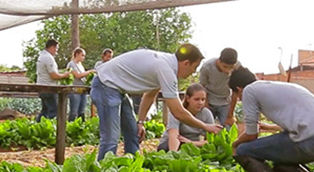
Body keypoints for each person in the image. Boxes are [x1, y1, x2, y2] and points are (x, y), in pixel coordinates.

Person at [91, 43, 222, 161]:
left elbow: (150, 94)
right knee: (111, 137)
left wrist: (141, 122)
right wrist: (205, 127)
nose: (193, 72)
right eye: (194, 67)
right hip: (105, 85)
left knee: (133, 132)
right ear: (186, 63)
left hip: (117, 89)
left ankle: (132, 168)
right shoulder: (166, 70)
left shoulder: (166, 64)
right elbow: (178, 112)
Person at [228, 67, 314, 172]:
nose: (240, 99)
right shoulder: (277, 87)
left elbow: (252, 134)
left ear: (239, 88)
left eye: (237, 95)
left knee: (243, 150)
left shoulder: (249, 90)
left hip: (311, 140)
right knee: (280, 160)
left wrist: (234, 144)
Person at [157, 84, 214, 151]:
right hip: (174, 142)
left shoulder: (206, 113)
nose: (200, 103)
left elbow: (211, 140)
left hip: (193, 144)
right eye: (196, 99)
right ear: (188, 98)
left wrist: (191, 143)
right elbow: (173, 135)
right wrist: (173, 155)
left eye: (203, 99)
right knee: (164, 149)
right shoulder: (177, 111)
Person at [199, 48, 239, 126]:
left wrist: (230, 115)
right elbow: (202, 87)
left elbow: (235, 91)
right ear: (219, 61)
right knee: (209, 130)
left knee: (229, 129)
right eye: (225, 67)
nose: (228, 71)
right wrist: (206, 105)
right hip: (210, 101)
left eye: (231, 68)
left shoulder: (237, 67)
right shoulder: (207, 67)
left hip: (225, 101)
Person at [36, 39, 71, 122]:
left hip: (41, 87)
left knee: (45, 110)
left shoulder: (42, 56)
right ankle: (53, 129)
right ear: (52, 47)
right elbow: (54, 75)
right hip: (49, 88)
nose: (56, 51)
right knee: (54, 111)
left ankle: (37, 126)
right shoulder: (48, 58)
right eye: (56, 49)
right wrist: (65, 75)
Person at [66, 47, 95, 121]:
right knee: (74, 111)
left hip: (82, 89)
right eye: (82, 55)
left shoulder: (80, 65)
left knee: (82, 111)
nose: (83, 57)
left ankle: (81, 127)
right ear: (77, 54)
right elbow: (78, 75)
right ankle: (70, 126)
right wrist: (89, 72)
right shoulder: (71, 64)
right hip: (75, 89)